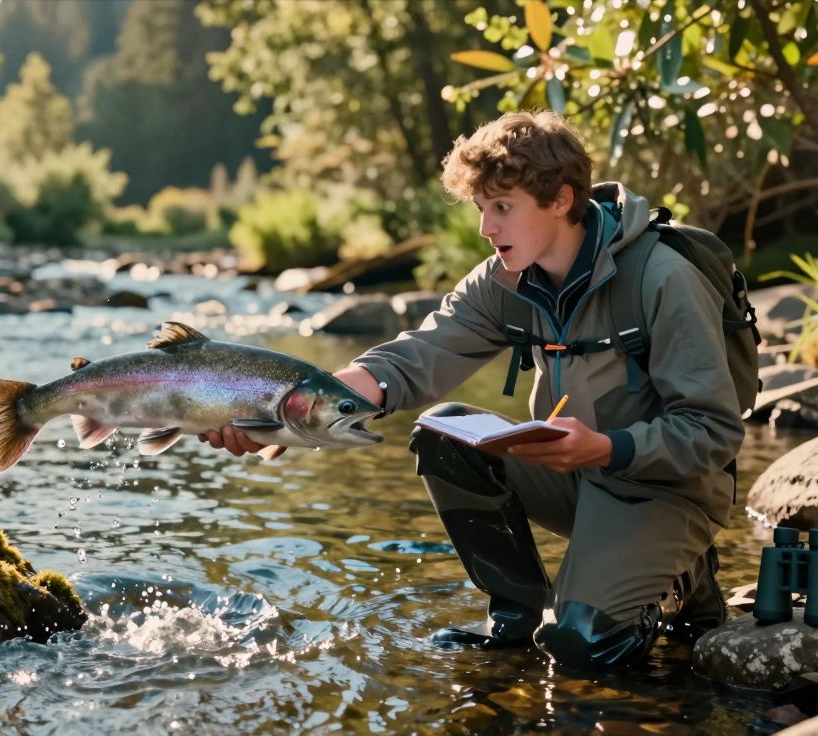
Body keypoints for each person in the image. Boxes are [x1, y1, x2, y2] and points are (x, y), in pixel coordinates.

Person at [199, 110, 744, 671]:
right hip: (574, 476)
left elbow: (714, 431)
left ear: (560, 199)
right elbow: (415, 357)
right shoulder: (503, 281)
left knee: (583, 647)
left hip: (665, 488)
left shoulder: (663, 278)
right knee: (444, 432)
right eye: (482, 209)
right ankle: (518, 614)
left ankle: (682, 574)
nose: (487, 228)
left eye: (502, 208)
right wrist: (292, 411)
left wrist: (605, 448)